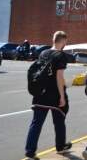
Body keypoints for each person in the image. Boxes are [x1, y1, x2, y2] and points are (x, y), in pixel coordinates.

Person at [25, 31, 72, 160]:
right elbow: (59, 77)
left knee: (36, 123)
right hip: (54, 95)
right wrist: (62, 96)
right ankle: (61, 146)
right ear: (62, 41)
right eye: (65, 42)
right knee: (59, 121)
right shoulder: (60, 55)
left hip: (40, 93)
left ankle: (30, 152)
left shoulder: (43, 53)